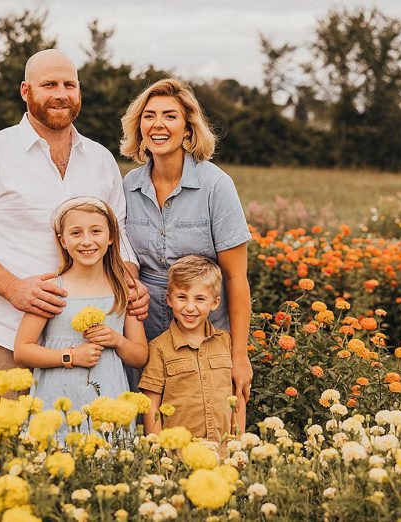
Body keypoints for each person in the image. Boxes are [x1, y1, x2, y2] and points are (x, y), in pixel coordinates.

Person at [0, 50, 149, 418]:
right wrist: (14, 288)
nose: (61, 93)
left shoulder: (100, 159)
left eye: (70, 84)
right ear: (25, 90)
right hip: (13, 338)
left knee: (91, 452)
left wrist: (128, 284)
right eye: (49, 84)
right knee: (11, 460)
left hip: (91, 345)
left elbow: (120, 236)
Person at [120, 77, 252, 427]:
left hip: (204, 325)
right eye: (149, 116)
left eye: (170, 116)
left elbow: (236, 277)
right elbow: (122, 257)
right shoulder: (128, 187)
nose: (158, 125)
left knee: (204, 417)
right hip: (145, 325)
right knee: (148, 421)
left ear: (188, 129)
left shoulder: (215, 185)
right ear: (139, 127)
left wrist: (240, 356)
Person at [14, 197, 148, 436]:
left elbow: (139, 356)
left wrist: (116, 339)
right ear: (63, 241)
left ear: (111, 237)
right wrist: (71, 356)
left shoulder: (123, 290)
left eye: (96, 231)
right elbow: (22, 351)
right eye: (76, 233)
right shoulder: (51, 290)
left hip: (108, 403)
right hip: (56, 402)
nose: (87, 241)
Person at [139, 255, 239, 441]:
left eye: (200, 299)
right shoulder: (159, 348)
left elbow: (236, 401)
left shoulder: (226, 342)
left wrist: (238, 446)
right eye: (182, 298)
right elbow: (151, 405)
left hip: (222, 453)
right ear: (169, 299)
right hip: (178, 456)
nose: (190, 307)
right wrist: (156, 450)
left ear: (215, 302)